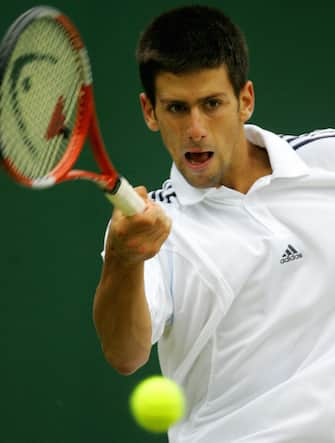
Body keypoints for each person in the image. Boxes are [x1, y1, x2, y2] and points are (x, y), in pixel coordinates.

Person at [93, 5, 335, 442]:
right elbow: (124, 354)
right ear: (150, 112)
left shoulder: (326, 160)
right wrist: (125, 259)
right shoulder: (146, 230)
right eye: (177, 109)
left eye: (212, 104)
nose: (196, 128)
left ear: (245, 100)